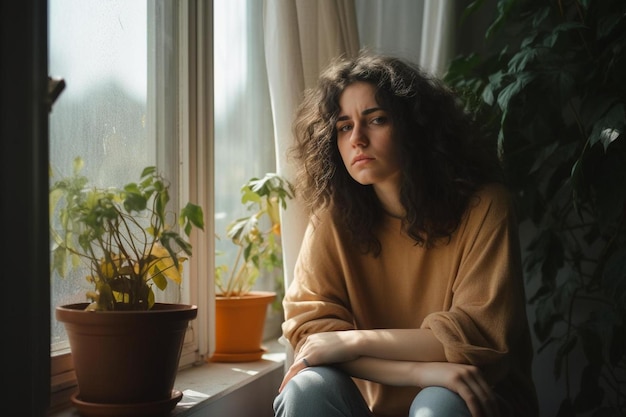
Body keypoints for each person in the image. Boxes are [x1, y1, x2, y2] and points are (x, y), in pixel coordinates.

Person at [273, 52, 538, 417]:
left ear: (415, 126)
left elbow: (476, 338)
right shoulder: (332, 218)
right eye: (344, 126)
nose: (357, 140)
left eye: (376, 119)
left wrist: (350, 342)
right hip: (381, 402)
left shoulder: (485, 206)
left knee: (440, 402)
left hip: (473, 395)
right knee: (307, 388)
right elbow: (312, 339)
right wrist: (417, 370)